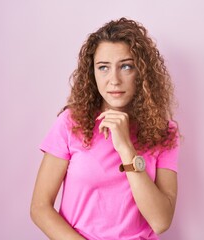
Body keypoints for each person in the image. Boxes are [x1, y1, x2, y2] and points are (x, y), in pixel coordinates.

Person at [30, 17, 180, 240]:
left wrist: (127, 150)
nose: (114, 80)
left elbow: (160, 221)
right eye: (103, 68)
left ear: (142, 72)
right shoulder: (71, 122)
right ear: (92, 73)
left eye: (126, 66)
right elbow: (40, 207)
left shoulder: (163, 131)